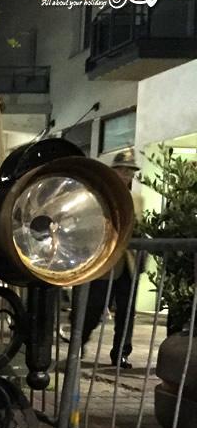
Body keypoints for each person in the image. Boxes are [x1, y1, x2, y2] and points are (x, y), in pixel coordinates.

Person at [80, 148, 142, 368]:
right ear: (113, 171)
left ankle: (121, 353)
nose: (127, 175)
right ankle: (79, 341)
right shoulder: (100, 197)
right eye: (122, 170)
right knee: (93, 308)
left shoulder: (137, 199)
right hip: (104, 263)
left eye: (130, 171)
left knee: (126, 311)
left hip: (128, 263)